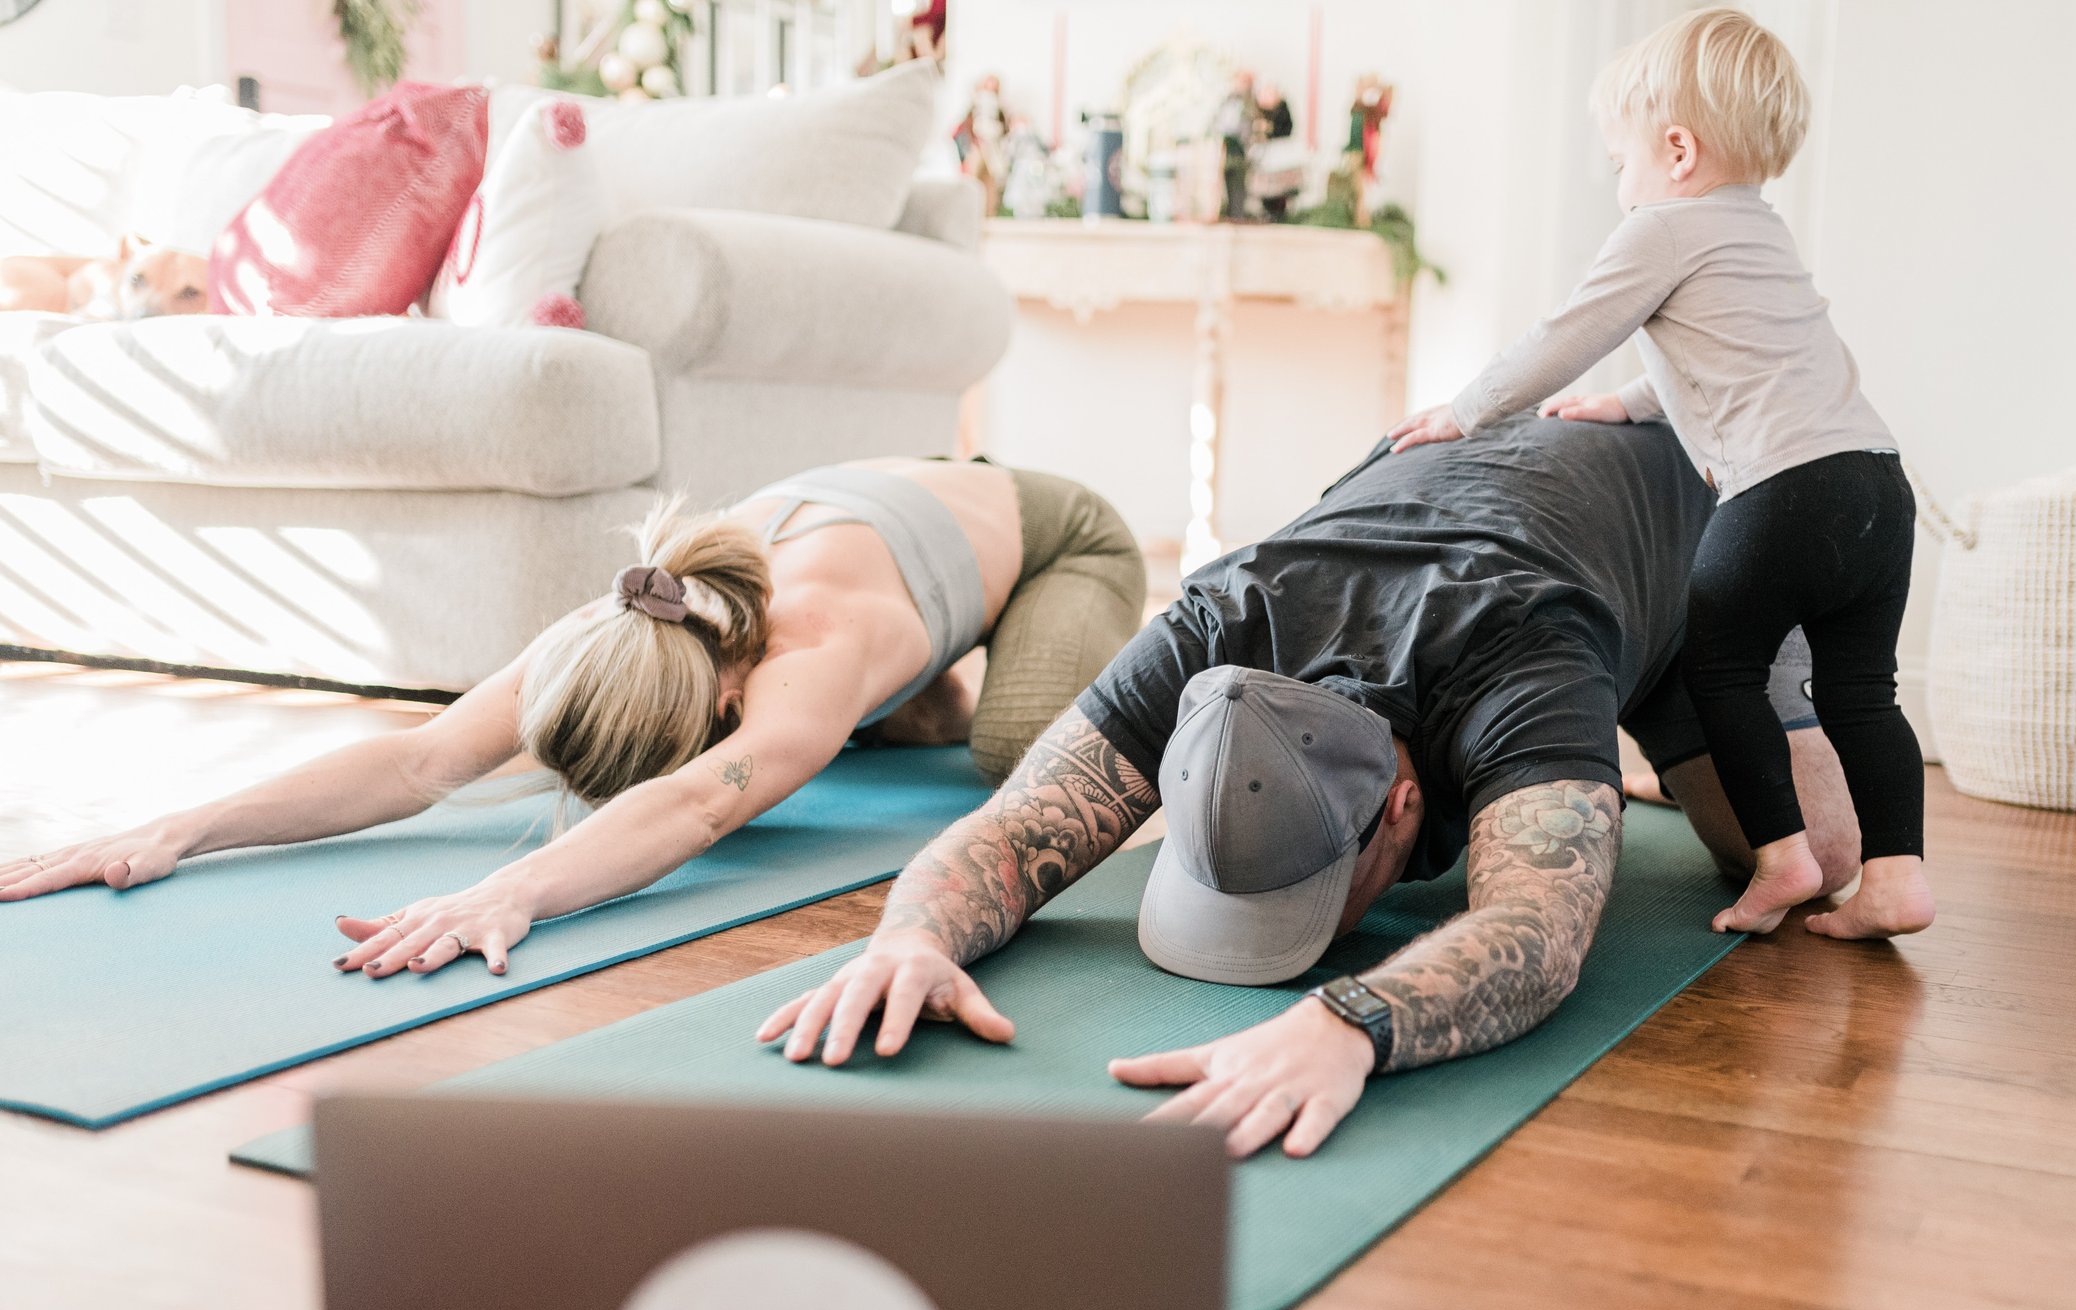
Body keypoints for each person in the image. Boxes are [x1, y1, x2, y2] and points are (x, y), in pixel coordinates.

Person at [758, 415, 1862, 1162]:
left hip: (1690, 517)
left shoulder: (1520, 656)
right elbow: (1008, 833)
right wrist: (910, 939)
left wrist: (1351, 1022)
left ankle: (1637, 726)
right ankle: (1584, 767)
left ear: (1399, 805)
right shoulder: (1212, 631)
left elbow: (1539, 929)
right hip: (1446, 482)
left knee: (1814, 861)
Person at [0, 460, 1145, 978]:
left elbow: (700, 802)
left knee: (1018, 759)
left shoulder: (810, 650)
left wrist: (511, 891)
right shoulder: (619, 625)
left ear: (733, 696)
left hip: (1055, 531)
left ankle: (989, 660)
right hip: (886, 571)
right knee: (866, 724)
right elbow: (421, 756)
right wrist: (184, 825)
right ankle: (922, 686)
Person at [1385, 8, 1932, 941]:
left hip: (1785, 491)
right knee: (1862, 693)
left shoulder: (1662, 227)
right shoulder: (1760, 232)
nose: (1621, 181)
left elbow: (1569, 330)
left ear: (1676, 150)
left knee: (1721, 669)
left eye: (1619, 161)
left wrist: (1464, 408)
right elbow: (1734, 358)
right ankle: (1898, 876)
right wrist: (1631, 403)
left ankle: (1782, 856)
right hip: (1877, 486)